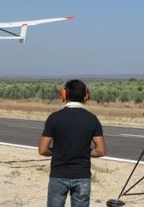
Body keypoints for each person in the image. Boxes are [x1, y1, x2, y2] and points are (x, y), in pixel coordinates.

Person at [39, 79, 107, 207]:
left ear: (64, 94)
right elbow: (101, 150)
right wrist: (84, 152)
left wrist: (57, 152)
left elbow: (43, 150)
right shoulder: (92, 119)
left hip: (58, 175)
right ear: (86, 95)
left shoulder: (54, 118)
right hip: (82, 175)